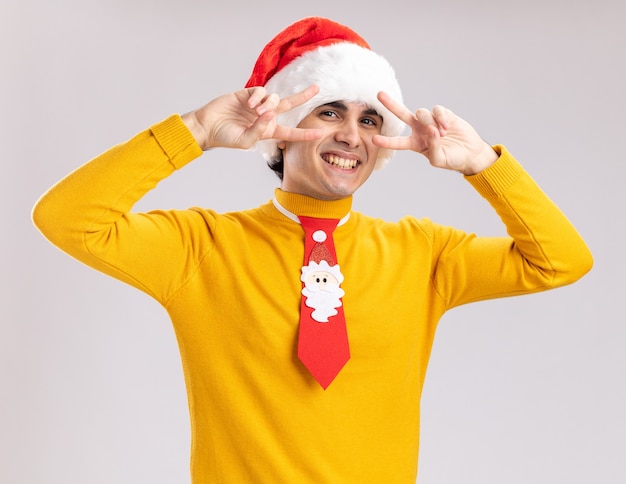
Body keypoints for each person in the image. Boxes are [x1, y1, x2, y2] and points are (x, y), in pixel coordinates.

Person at [32, 16, 593, 484]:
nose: (352, 135)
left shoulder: (423, 253)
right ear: (281, 130)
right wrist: (196, 131)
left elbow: (561, 260)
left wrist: (484, 167)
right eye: (331, 111)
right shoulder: (201, 248)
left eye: (369, 119)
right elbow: (67, 219)